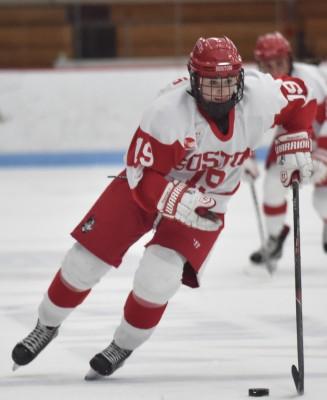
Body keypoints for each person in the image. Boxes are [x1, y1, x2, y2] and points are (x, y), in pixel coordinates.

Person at [11, 36, 316, 379]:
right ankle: (47, 324)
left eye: (228, 82)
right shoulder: (167, 112)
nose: (221, 93)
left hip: (207, 202)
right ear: (192, 80)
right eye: (211, 84)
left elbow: (304, 98)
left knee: (158, 278)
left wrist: (296, 139)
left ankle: (123, 344)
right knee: (84, 261)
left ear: (240, 78)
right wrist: (172, 198)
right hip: (149, 184)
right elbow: (141, 174)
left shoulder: (261, 96)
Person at [247, 31, 327, 267]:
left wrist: (322, 153)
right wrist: (243, 156)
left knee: (323, 200)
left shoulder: (313, 80)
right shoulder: (256, 85)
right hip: (291, 137)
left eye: (279, 63)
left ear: (290, 59)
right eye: (267, 65)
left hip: (321, 135)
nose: (275, 71)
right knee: (272, 186)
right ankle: (275, 237)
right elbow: (245, 121)